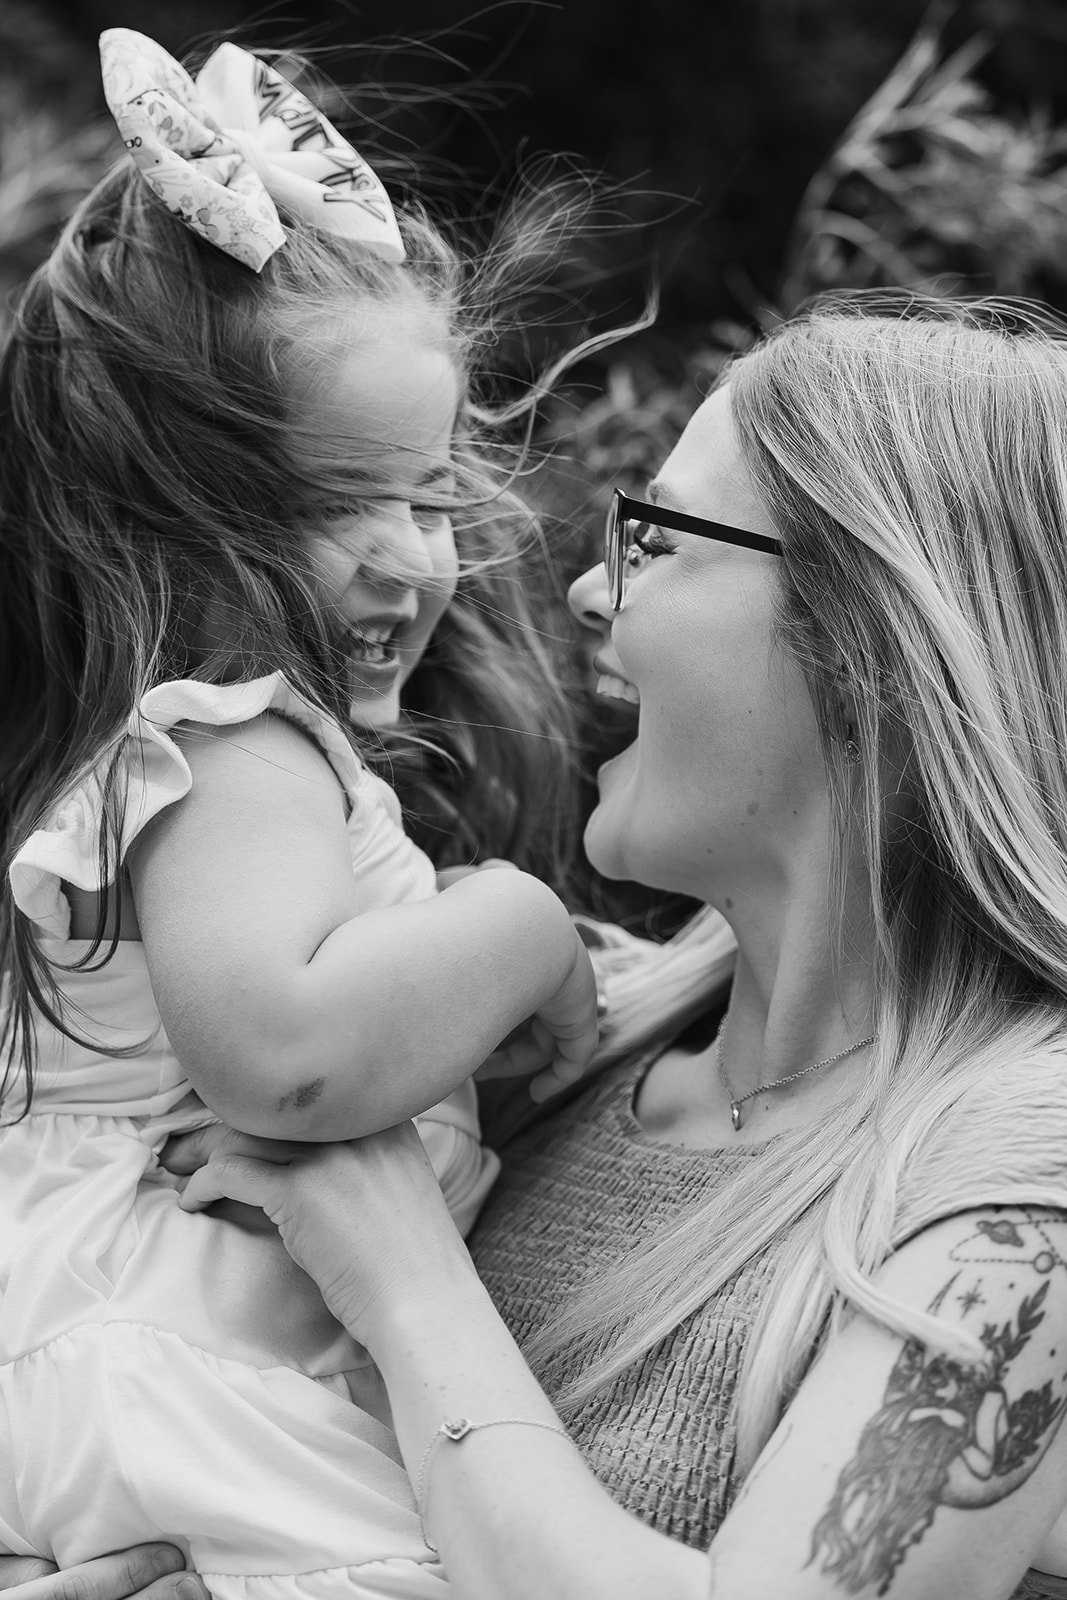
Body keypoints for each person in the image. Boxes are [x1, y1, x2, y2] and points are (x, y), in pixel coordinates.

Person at [31, 290, 1067, 1600]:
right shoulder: (545, 1052)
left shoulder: (1021, 1183)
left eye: (661, 542)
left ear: (876, 631)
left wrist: (406, 1279)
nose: (586, 590)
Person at [0, 27, 601, 1600]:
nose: (409, 558)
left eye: (423, 495)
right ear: (152, 519)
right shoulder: (245, 745)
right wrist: (520, 929)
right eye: (337, 505)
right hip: (195, 1371)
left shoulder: (188, 762)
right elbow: (292, 1055)